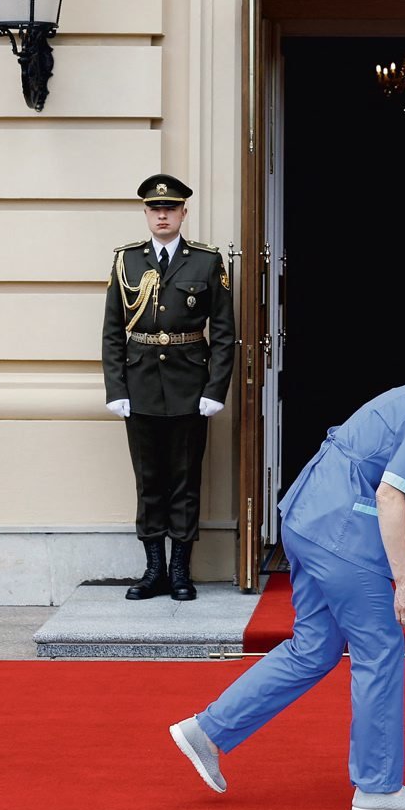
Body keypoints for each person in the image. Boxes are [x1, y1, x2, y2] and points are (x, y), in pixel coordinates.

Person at [168, 324, 405, 810]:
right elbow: (391, 495)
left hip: (309, 519)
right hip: (341, 530)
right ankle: (377, 789)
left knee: (313, 648)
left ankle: (208, 731)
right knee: (380, 649)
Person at [101, 174, 236, 601]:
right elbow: (112, 332)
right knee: (149, 481)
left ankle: (180, 570)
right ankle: (153, 569)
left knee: (184, 480)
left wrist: (215, 389)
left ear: (183, 213)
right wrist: (116, 389)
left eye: (170, 209)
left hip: (189, 387)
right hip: (139, 385)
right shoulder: (126, 260)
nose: (163, 215)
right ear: (146, 213)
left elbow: (224, 333)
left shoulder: (207, 261)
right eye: (155, 209)